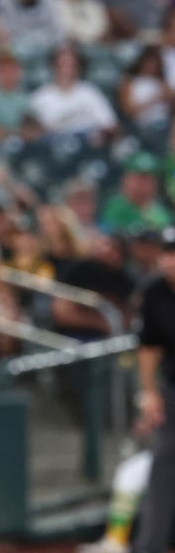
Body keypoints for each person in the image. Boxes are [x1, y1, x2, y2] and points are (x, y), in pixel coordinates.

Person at [133, 228, 175, 553]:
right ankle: (150, 545)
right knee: (164, 462)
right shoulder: (154, 291)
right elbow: (149, 346)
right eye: (167, 252)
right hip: (173, 387)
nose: (171, 260)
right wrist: (149, 392)